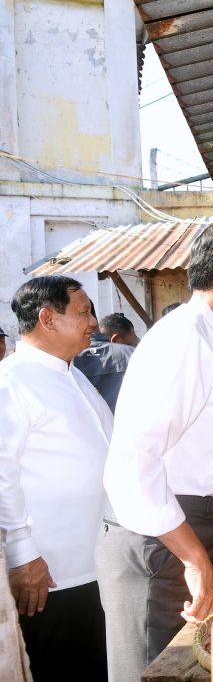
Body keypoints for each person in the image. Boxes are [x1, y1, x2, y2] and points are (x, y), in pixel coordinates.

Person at [96, 221, 213, 681]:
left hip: (181, 533)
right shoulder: (183, 341)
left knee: (179, 667)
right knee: (153, 668)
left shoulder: (210, 336)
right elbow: (132, 466)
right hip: (160, 540)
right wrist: (194, 558)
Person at [0, 276, 112, 680]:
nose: (94, 322)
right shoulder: (11, 382)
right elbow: (2, 476)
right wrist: (22, 554)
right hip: (50, 574)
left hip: (94, 563)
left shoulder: (72, 375)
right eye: (83, 312)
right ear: (47, 318)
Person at [73, 312, 137, 413]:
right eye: (130, 344)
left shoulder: (67, 359)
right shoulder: (133, 355)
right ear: (115, 339)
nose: (131, 346)